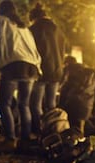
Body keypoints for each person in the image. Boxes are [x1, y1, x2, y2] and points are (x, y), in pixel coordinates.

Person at [0, 0, 41, 153]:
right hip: (31, 67)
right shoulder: (23, 27)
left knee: (4, 103)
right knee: (24, 104)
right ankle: (25, 138)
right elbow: (34, 49)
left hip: (12, 65)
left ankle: (10, 139)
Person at [28, 2, 65, 137]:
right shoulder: (57, 29)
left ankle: (39, 131)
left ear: (33, 18)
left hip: (41, 72)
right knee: (51, 104)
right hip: (56, 71)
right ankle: (53, 129)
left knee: (35, 104)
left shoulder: (33, 30)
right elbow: (62, 51)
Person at [59, 56, 95, 137]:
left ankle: (76, 141)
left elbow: (63, 88)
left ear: (67, 63)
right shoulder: (89, 72)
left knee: (72, 128)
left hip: (74, 106)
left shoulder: (69, 70)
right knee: (81, 125)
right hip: (87, 107)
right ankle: (83, 141)